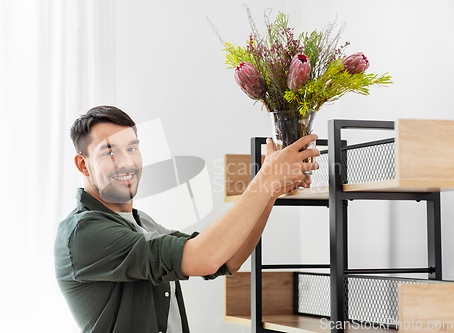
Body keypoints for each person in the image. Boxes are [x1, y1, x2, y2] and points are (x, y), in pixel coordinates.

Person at [54, 105, 319, 333]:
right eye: (109, 152)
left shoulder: (141, 223)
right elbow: (205, 257)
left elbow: (227, 259)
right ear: (82, 164)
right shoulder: (83, 233)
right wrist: (265, 180)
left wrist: (270, 191)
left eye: (132, 148)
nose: (126, 163)